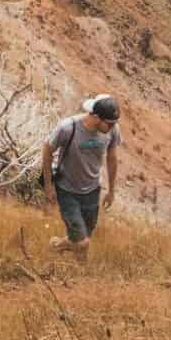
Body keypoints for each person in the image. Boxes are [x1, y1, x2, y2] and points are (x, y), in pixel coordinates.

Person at [42, 94, 121, 261]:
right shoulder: (68, 128)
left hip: (92, 191)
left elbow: (112, 158)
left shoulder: (112, 130)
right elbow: (47, 149)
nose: (113, 126)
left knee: (83, 241)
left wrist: (112, 191)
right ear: (97, 117)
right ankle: (57, 246)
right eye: (109, 123)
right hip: (67, 190)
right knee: (82, 241)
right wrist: (48, 185)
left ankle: (77, 273)